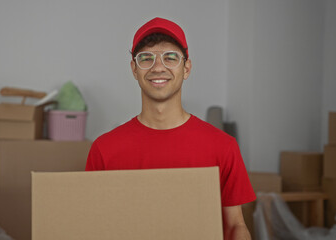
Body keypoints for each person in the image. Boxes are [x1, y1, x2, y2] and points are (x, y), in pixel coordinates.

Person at [85, 17, 256, 240]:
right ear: (134, 69)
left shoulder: (223, 146)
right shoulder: (104, 150)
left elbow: (236, 225)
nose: (158, 67)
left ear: (186, 68)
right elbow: (92, 226)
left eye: (170, 57)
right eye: (146, 58)